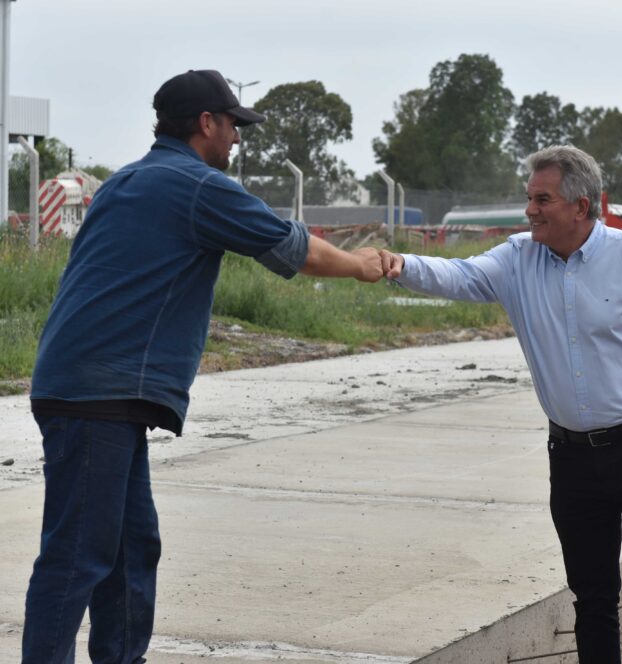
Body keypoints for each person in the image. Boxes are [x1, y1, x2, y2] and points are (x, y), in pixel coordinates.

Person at [23, 69, 383, 664]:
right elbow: (290, 248)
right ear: (207, 123)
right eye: (234, 125)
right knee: (79, 553)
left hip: (94, 387)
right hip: (100, 393)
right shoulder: (194, 185)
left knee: (132, 547)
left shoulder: (126, 181)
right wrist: (359, 264)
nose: (238, 139)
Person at [379, 145, 622, 663]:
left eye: (543, 199)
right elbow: (459, 275)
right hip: (574, 458)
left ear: (582, 207)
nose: (530, 210)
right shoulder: (517, 258)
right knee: (593, 596)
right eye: (529, 198)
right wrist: (399, 264)